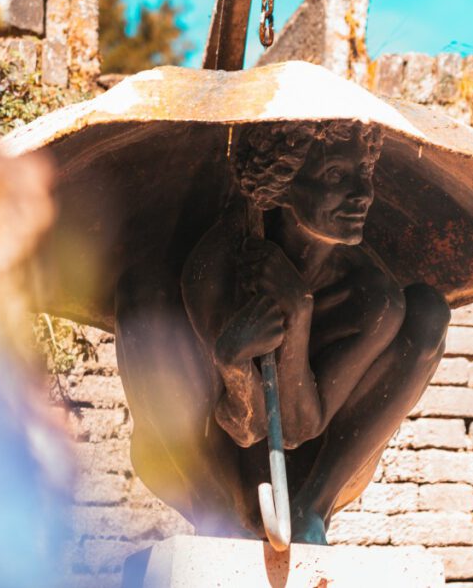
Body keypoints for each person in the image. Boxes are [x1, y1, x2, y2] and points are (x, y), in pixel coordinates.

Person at [114, 120, 451, 544]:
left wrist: (299, 313)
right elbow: (244, 428)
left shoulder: (373, 297)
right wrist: (233, 363)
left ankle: (313, 509)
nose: (362, 195)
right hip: (212, 460)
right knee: (142, 294)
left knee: (429, 313)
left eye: (364, 175)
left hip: (311, 470)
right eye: (336, 176)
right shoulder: (217, 265)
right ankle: (214, 512)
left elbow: (297, 429)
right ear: (281, 184)